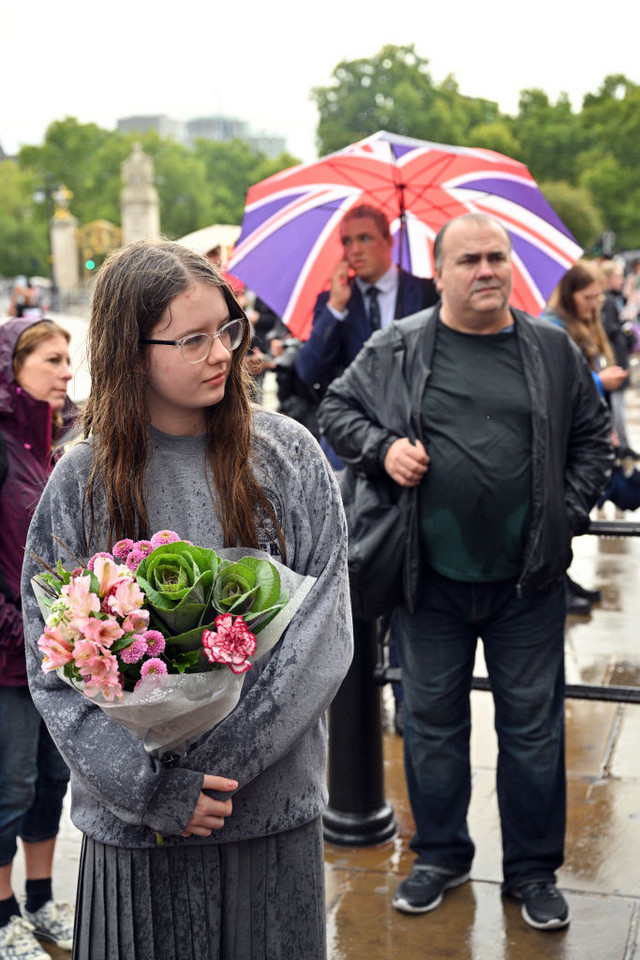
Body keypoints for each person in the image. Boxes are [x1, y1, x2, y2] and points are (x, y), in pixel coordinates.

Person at [21, 240, 353, 960]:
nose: (221, 354)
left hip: (269, 815)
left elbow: (325, 634)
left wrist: (215, 771)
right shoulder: (80, 482)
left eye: (227, 331)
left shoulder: (289, 456)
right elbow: (51, 664)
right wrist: (152, 789)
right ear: (131, 351)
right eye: (193, 338)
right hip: (137, 830)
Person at [318, 214, 613, 931]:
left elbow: (593, 438)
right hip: (430, 584)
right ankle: (442, 855)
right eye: (470, 259)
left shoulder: (549, 347)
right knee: (431, 729)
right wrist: (385, 450)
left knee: (534, 734)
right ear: (441, 273)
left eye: (497, 257)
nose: (487, 270)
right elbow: (336, 408)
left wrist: (562, 517)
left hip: (527, 586)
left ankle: (533, 873)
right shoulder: (400, 344)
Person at [0, 317, 76, 959]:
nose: (67, 371)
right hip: (6, 654)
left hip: (63, 652)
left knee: (52, 780)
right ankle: (2, 916)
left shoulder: (62, 444)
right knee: (9, 785)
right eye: (52, 360)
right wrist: (19, 628)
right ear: (13, 367)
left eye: (68, 358)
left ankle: (42, 899)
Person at [295, 203, 439, 469]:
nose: (354, 250)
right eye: (347, 241)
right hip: (352, 442)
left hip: (415, 437)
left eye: (365, 238)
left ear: (389, 240)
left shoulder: (427, 293)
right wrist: (336, 309)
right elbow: (308, 370)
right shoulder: (333, 301)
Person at [544, 260, 628, 612]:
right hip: (563, 438)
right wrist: (599, 381)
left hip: (585, 432)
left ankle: (566, 581)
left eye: (598, 297)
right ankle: (559, 584)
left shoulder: (582, 325)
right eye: (588, 296)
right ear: (569, 293)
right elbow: (558, 385)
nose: (595, 304)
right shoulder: (553, 329)